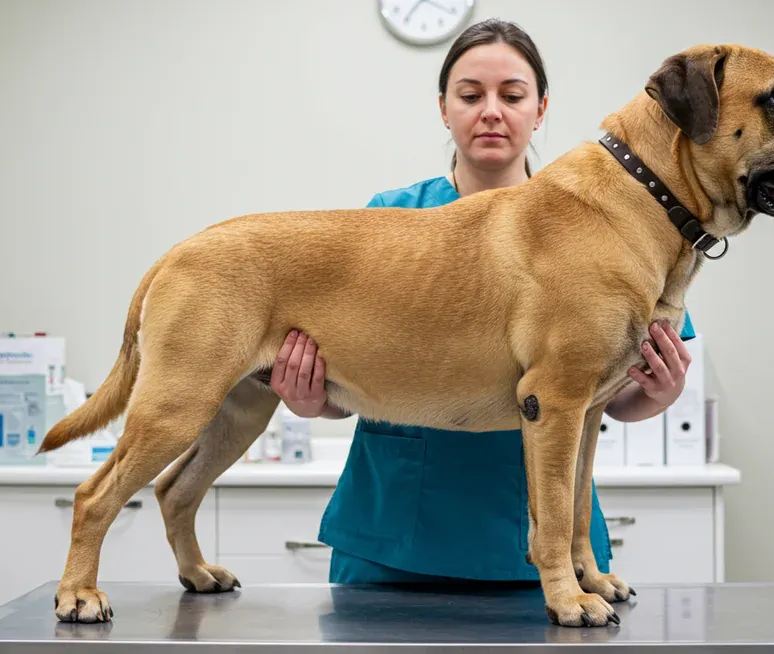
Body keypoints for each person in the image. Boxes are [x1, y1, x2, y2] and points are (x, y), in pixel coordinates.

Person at [269, 18, 696, 585]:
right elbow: (350, 391)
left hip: (547, 559)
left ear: (541, 109)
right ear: (443, 109)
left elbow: (614, 399)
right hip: (396, 540)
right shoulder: (388, 220)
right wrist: (309, 401)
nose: (491, 111)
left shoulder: (608, 229)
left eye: (512, 96)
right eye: (470, 96)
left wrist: (661, 392)